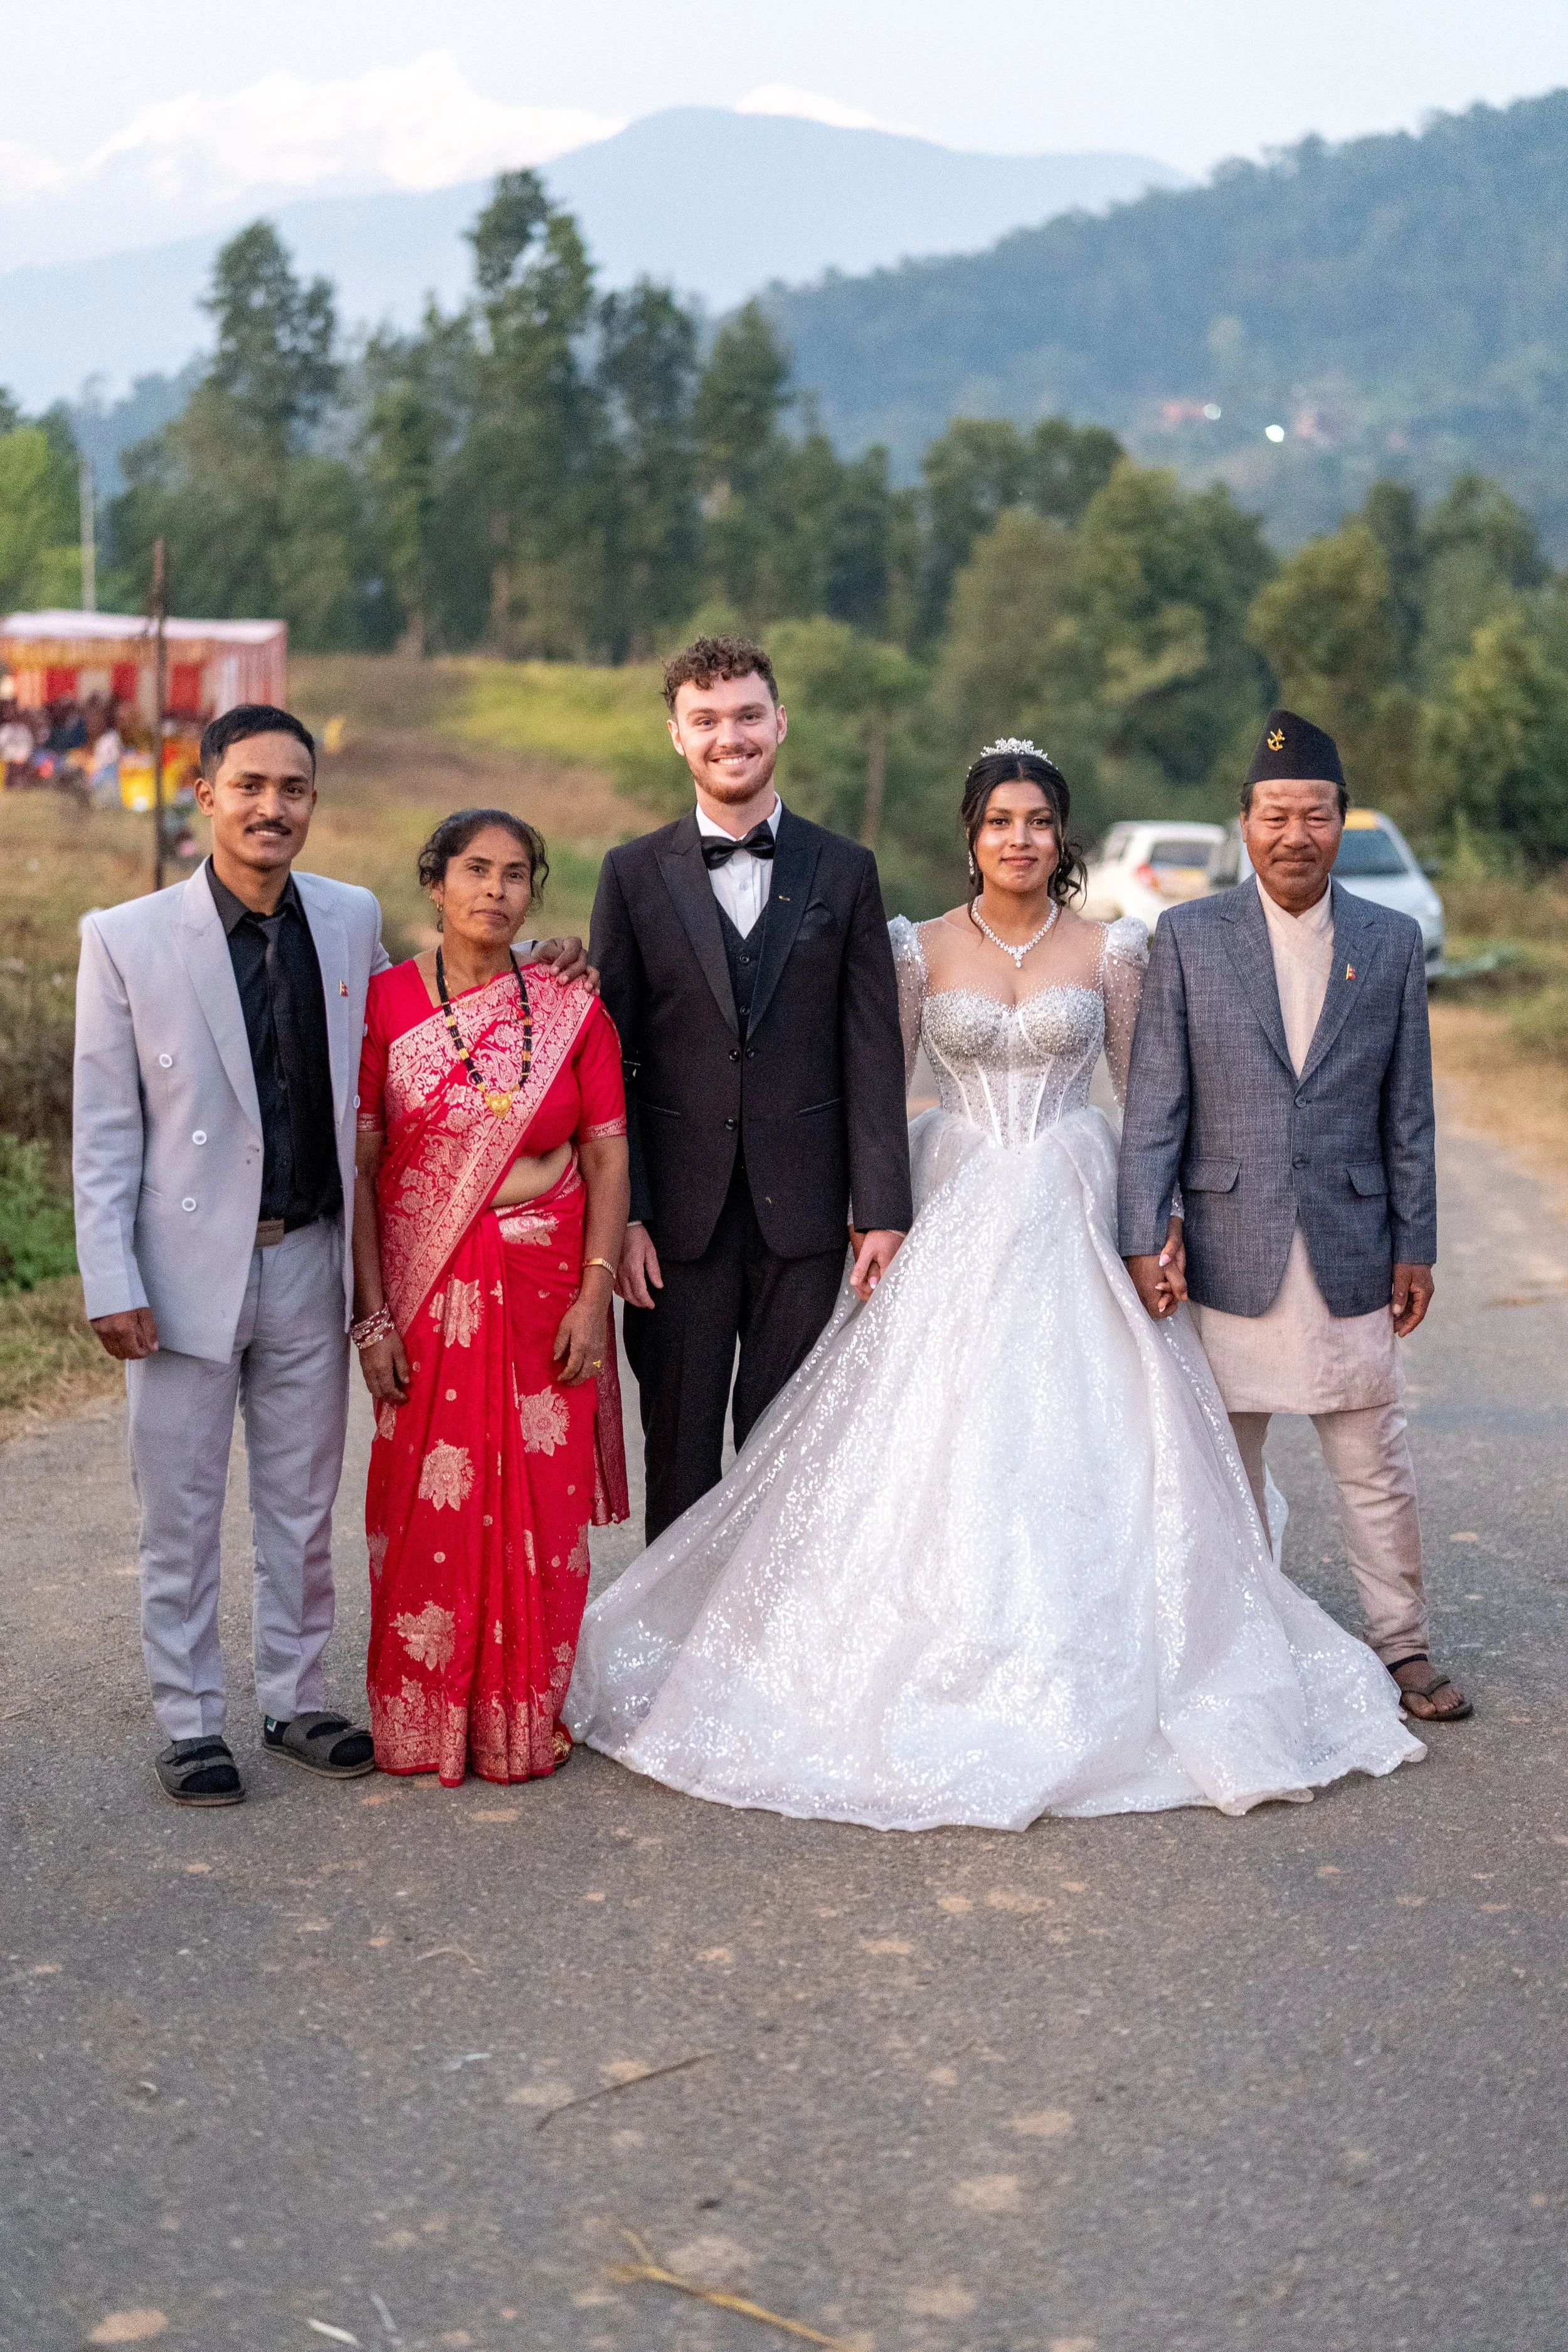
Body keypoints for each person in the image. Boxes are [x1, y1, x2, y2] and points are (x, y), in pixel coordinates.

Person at [565, 742, 1423, 1828]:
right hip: (957, 1189)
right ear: (971, 835)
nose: (1020, 838)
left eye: (1039, 821)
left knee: (1094, 1431)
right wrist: (875, 1207)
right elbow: (877, 1084)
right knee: (916, 1435)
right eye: (1000, 820)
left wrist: (1154, 1223)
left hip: (1072, 1190)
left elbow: (1147, 1093)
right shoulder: (912, 949)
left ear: (1063, 837)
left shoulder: (1116, 948)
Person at [72, 706, 591, 1807]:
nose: (272, 807)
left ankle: (295, 1697)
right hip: (179, 1267)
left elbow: (457, 977)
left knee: (304, 1506)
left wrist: (547, 959)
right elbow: (105, 1127)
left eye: (293, 789)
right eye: (249, 785)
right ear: (204, 791)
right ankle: (189, 1719)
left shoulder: (349, 918)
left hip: (309, 1252)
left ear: (315, 801)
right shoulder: (126, 937)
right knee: (182, 1505)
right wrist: (110, 1276)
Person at [1118, 709, 1470, 1725]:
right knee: (1224, 1466)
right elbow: (1156, 1107)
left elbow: (1411, 1110)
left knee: (1373, 1458)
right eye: (1275, 815)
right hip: (1228, 1250)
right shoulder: (1186, 938)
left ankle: (1402, 1647)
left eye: (1315, 815)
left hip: (1354, 1247)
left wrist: (1418, 1241)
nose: (1294, 835)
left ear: (1341, 823)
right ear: (1245, 824)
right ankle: (1234, 1643)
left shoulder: (1391, 942)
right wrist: (1146, 1233)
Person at [590, 634, 913, 1540]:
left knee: (788, 1452)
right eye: (706, 720)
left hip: (806, 1217)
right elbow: (610, 1062)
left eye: (745, 715)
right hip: (674, 1229)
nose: (728, 735)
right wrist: (629, 1218)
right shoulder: (630, 873)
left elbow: (871, 1049)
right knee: (681, 1455)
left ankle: (767, 1666)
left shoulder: (844, 869)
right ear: (676, 736)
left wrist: (882, 1204)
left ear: (780, 722)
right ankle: (674, 1666)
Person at [352, 810, 631, 1784]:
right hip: (428, 1297)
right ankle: (426, 1723)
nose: (497, 891)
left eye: (517, 875)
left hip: (548, 1291)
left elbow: (604, 1151)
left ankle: (524, 1717)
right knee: (423, 1500)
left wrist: (595, 1296)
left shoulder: (571, 1006)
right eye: (476, 870)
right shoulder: (384, 1005)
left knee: (544, 1512)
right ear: (435, 882)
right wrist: (373, 1315)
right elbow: (366, 1172)